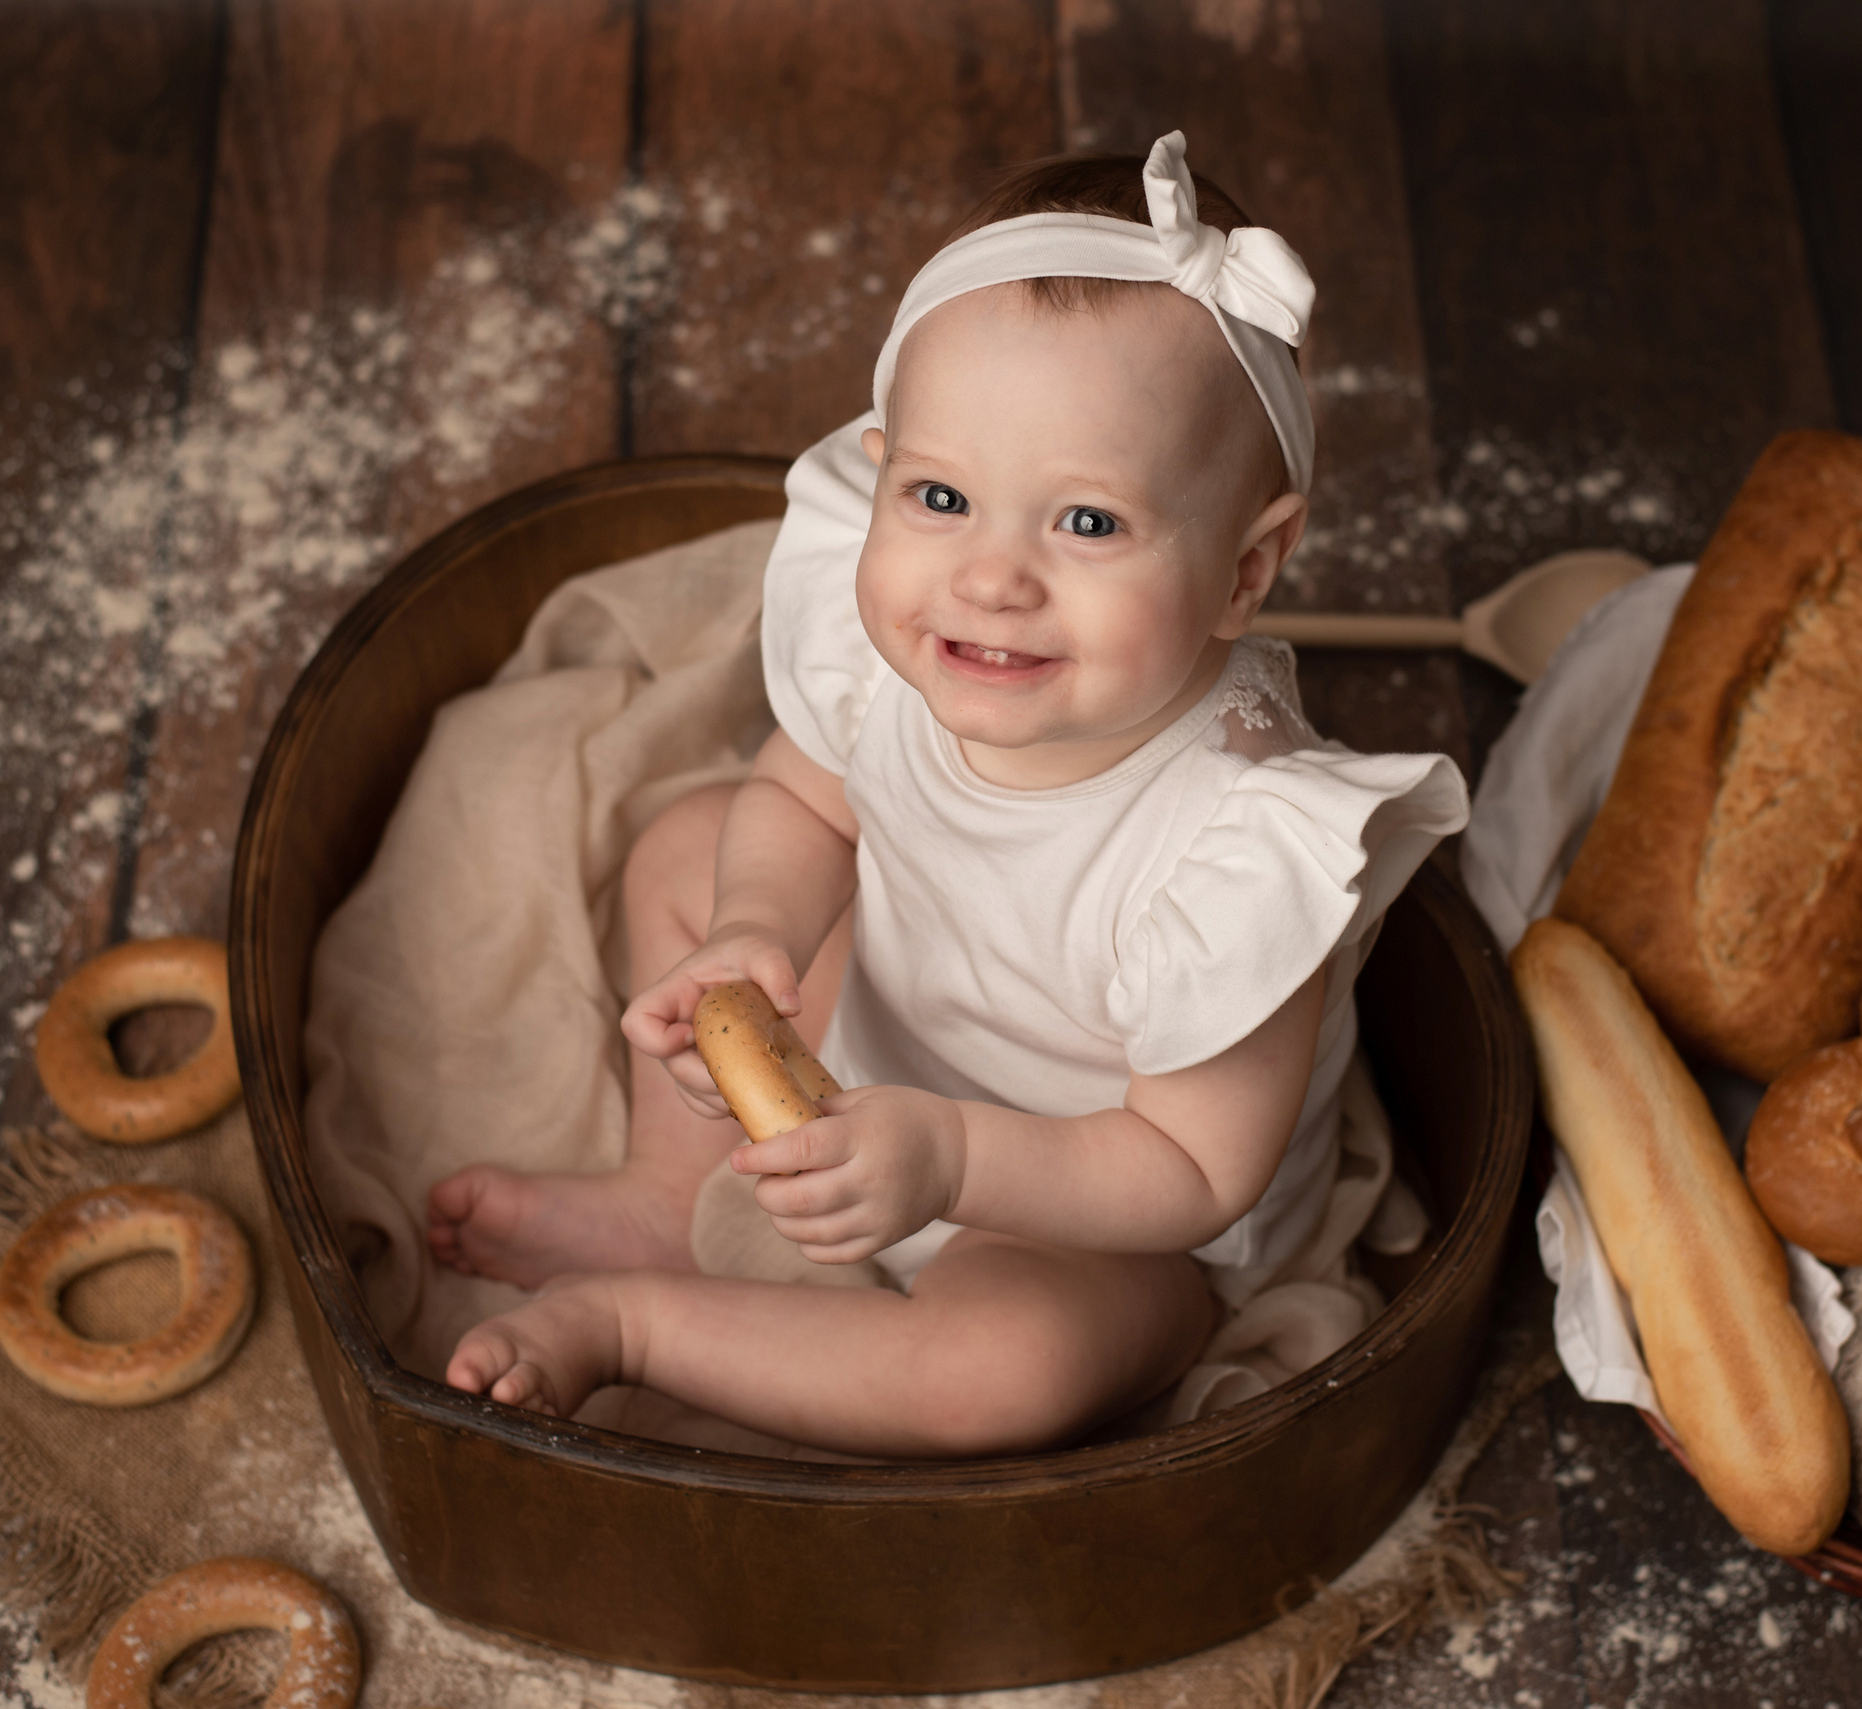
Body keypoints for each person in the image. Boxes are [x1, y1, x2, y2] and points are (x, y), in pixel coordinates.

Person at [425, 133, 1467, 1458]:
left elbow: (1195, 1166)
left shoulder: (1234, 836)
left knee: (1005, 1369)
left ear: (1247, 570)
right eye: (939, 495)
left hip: (1086, 1207)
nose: (990, 578)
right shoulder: (897, 649)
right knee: (687, 845)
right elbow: (805, 805)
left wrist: (954, 1163)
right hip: (883, 1033)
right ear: (882, 464)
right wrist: (753, 929)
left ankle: (630, 1326)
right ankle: (662, 1194)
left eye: (1085, 523)